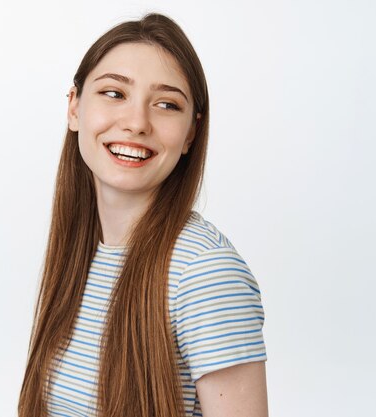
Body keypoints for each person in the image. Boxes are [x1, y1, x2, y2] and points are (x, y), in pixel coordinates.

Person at [18, 12, 268, 417]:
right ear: (74, 107)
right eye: (115, 93)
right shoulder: (82, 253)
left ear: (190, 133)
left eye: (167, 104)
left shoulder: (205, 272)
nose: (136, 123)